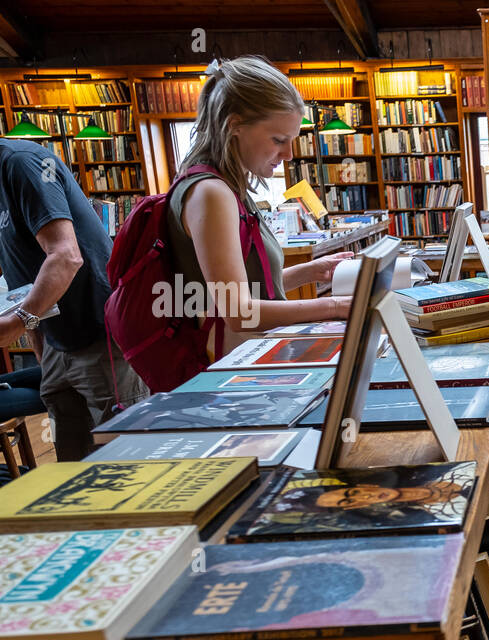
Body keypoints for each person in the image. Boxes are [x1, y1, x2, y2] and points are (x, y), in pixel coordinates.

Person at [169, 55, 353, 359]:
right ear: (235, 125)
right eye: (279, 139)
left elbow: (239, 289)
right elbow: (239, 312)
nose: (290, 154)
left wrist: (308, 272)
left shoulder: (227, 186)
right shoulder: (211, 193)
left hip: (244, 360)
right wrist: (333, 306)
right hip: (228, 372)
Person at [0, 137, 149, 461]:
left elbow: (66, 256)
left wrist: (20, 322)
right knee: (72, 468)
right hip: (54, 340)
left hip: (100, 333)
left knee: (127, 462)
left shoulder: (21, 163)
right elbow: (21, 270)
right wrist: (39, 342)